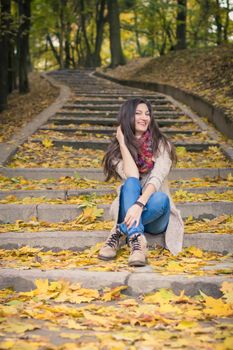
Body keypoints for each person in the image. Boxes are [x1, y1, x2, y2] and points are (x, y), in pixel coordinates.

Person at [98, 97, 184, 266]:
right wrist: (123, 143)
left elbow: (157, 177)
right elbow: (132, 175)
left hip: (155, 214)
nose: (144, 117)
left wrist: (139, 205)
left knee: (161, 199)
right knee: (130, 183)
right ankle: (138, 244)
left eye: (147, 114)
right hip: (129, 210)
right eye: (138, 113)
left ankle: (120, 231)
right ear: (127, 117)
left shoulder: (162, 145)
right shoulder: (116, 153)